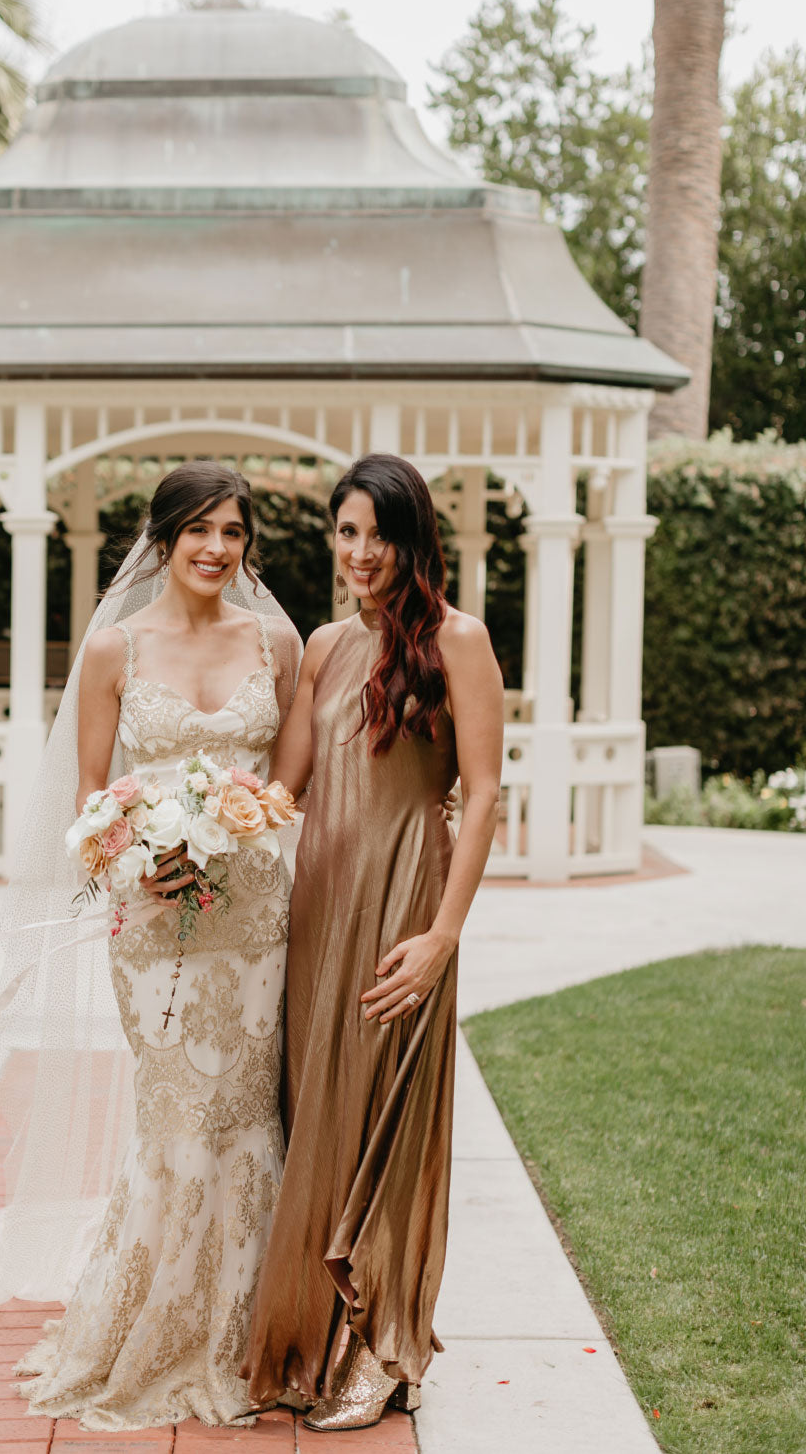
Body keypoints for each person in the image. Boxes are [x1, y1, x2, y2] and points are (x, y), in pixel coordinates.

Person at [12, 461, 303, 1430]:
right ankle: (151, 1328)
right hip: (155, 921)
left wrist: (250, 821)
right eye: (201, 532)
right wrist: (142, 862)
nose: (218, 550)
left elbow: (289, 784)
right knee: (177, 1121)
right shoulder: (113, 650)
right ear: (165, 539)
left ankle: (242, 1334)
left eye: (233, 533)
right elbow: (88, 813)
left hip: (257, 918)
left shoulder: (277, 642)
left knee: (247, 1116)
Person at [240, 453, 504, 1431]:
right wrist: (182, 830)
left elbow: (480, 793)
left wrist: (443, 935)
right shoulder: (323, 645)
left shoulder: (460, 641)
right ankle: (330, 1335)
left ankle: (387, 1350)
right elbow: (284, 788)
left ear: (413, 537)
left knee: (387, 1120)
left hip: (405, 908)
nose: (359, 553)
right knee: (320, 1114)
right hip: (320, 909)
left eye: (377, 534)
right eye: (344, 533)